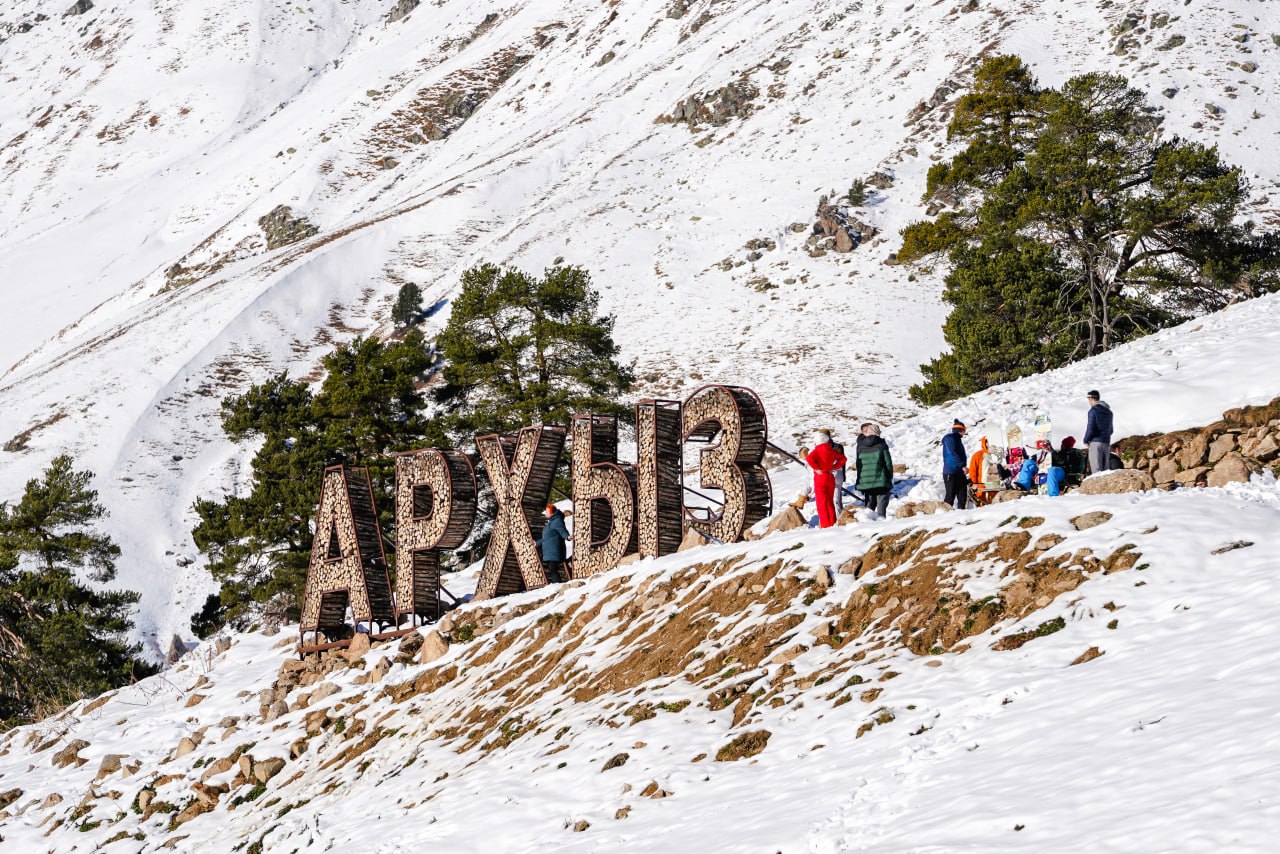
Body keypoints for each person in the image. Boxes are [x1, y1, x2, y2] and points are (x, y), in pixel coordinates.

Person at [805, 431, 847, 528]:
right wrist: (834, 467)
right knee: (830, 502)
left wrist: (816, 468)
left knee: (822, 503)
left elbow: (809, 459)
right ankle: (832, 522)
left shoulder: (817, 450)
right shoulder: (831, 450)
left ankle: (825, 525)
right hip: (830, 476)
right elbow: (843, 459)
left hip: (820, 477)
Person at [854, 422, 893, 518]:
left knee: (869, 505)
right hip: (880, 479)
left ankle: (867, 523)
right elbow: (888, 463)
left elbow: (859, 464)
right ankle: (881, 521)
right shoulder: (881, 443)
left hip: (866, 479)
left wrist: (860, 479)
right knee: (882, 501)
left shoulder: (860, 445)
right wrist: (889, 477)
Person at [536, 504, 571, 583]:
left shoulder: (557, 521)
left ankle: (558, 585)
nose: (546, 514)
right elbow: (546, 538)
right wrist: (537, 543)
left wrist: (567, 537)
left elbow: (562, 531)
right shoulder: (550, 523)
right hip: (550, 552)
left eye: (547, 512)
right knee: (552, 569)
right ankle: (557, 585)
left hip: (555, 551)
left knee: (553, 569)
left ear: (552, 513)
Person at [1083, 390, 1114, 474]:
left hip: (1095, 442)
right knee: (1106, 470)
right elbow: (1111, 430)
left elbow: (1091, 428)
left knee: (1096, 470)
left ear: (1091, 398)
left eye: (1088, 398)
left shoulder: (1093, 411)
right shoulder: (1109, 412)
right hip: (1106, 442)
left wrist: (1086, 440)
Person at [942, 420, 968, 509]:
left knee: (962, 497)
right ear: (960, 430)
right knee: (950, 497)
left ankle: (961, 516)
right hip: (951, 472)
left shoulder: (956, 439)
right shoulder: (949, 438)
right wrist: (962, 465)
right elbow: (952, 453)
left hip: (959, 472)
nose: (965, 432)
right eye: (964, 430)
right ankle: (944, 517)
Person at [830, 436, 848, 514]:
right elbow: (843, 461)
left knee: (834, 499)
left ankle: (838, 516)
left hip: (831, 474)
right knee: (837, 498)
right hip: (839, 473)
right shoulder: (838, 446)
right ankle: (840, 514)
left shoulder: (824, 448)